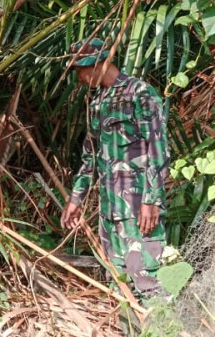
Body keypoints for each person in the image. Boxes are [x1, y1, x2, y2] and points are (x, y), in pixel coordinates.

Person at [61, 38, 171, 301]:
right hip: (110, 212)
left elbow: (159, 150)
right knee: (119, 285)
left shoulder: (140, 94)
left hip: (139, 212)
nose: (80, 79)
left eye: (81, 71)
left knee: (148, 280)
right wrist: (76, 198)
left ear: (99, 64)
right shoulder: (98, 102)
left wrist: (151, 200)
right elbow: (91, 155)